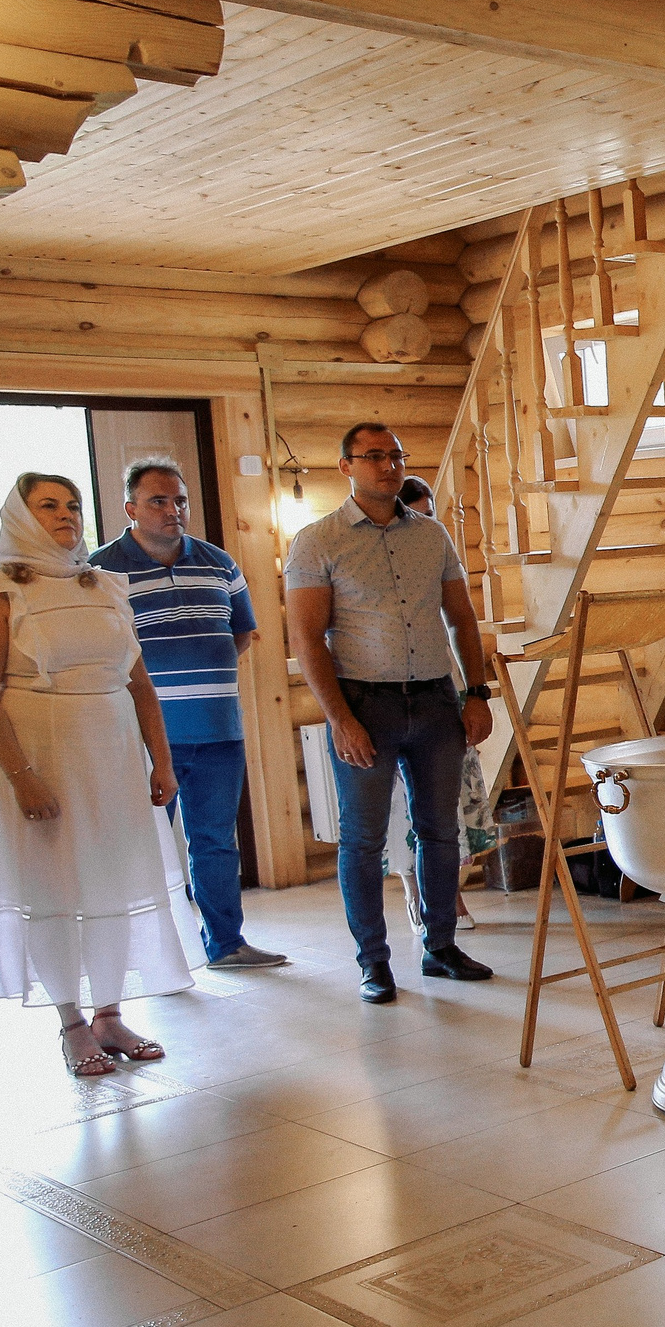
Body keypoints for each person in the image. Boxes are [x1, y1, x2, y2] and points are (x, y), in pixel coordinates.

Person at [0, 474, 197, 1075]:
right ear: (20, 516)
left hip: (113, 756)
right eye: (48, 506)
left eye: (71, 505)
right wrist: (22, 776)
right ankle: (71, 1022)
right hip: (42, 756)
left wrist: (161, 762)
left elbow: (140, 685)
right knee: (56, 884)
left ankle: (110, 1015)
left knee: (114, 876)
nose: (64, 515)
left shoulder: (106, 586)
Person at [284, 424, 496, 1003]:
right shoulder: (317, 540)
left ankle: (441, 947)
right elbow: (306, 639)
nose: (387, 466)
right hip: (364, 704)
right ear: (345, 466)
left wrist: (475, 691)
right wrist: (339, 718)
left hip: (433, 700)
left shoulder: (432, 536)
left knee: (439, 830)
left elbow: (462, 619)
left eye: (395, 456)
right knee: (362, 839)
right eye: (373, 457)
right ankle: (373, 963)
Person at [91, 457, 290, 970]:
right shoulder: (100, 573)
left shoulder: (220, 563)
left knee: (216, 843)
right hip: (144, 739)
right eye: (158, 501)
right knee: (143, 848)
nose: (173, 509)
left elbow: (241, 633)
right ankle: (145, 958)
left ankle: (226, 945)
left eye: (179, 500)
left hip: (221, 730)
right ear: (130, 508)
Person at [378, 476, 492, 934]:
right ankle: (412, 889)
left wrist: (473, 693)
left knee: (447, 802)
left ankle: (448, 892)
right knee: (402, 801)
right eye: (416, 513)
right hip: (387, 693)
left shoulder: (435, 552)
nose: (424, 522)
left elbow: (459, 621)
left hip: (442, 684)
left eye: (429, 514)